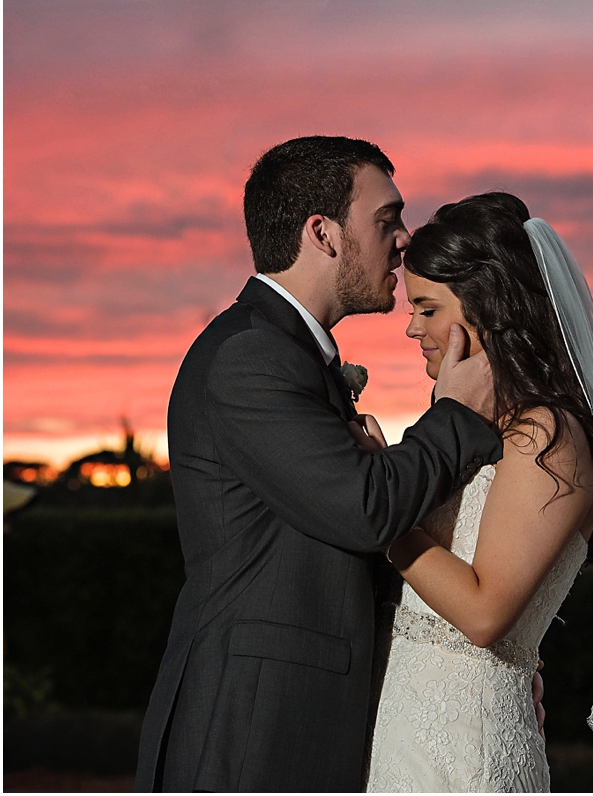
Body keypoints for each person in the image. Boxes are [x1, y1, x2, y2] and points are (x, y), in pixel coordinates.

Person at [134, 137, 505, 794]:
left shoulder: (291, 353)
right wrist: (458, 415)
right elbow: (364, 510)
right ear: (323, 233)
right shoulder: (251, 355)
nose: (403, 239)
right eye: (387, 219)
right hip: (250, 739)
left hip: (293, 725)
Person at [361, 193, 593, 794]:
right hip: (400, 735)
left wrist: (379, 509)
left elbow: (485, 613)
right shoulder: (474, 428)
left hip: (465, 751)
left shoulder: (546, 436)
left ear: (484, 309)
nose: (412, 327)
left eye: (426, 307)